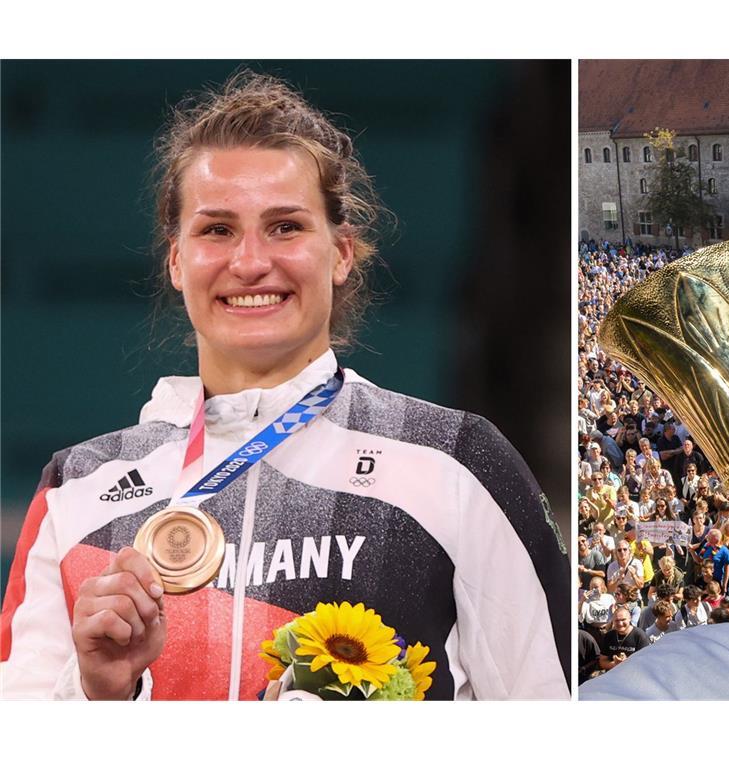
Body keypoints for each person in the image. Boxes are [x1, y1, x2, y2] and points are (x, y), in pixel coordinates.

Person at [0, 72, 568, 701]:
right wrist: (98, 694)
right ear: (175, 259)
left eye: (286, 227)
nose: (249, 262)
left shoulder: (457, 460)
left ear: (341, 252)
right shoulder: (76, 488)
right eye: (216, 230)